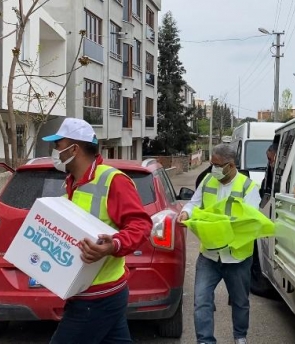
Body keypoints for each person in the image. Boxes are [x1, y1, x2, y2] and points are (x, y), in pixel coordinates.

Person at [43, 118, 152, 344]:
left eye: (58, 144)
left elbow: (141, 225)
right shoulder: (73, 182)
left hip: (97, 295)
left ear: (74, 148)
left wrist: (113, 245)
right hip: (95, 291)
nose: (55, 151)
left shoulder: (113, 180)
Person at [177, 144, 261, 344]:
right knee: (201, 301)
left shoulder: (248, 187)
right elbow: (194, 203)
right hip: (209, 255)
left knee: (240, 302)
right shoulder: (208, 180)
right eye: (211, 164)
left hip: (237, 257)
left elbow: (249, 221)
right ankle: (205, 341)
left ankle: (240, 336)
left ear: (231, 166)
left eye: (216, 165)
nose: (212, 168)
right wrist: (186, 212)